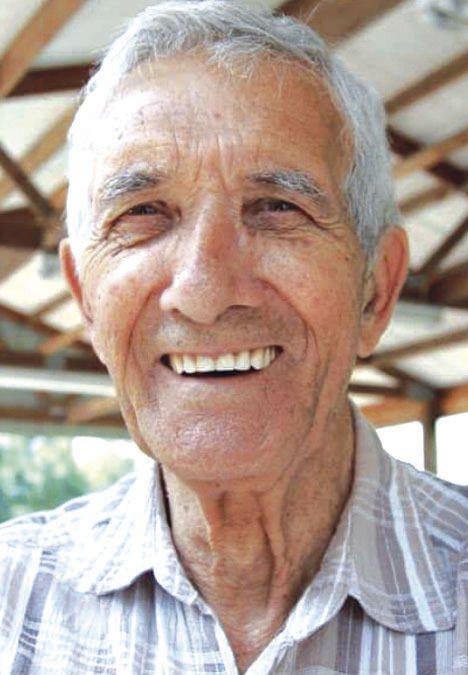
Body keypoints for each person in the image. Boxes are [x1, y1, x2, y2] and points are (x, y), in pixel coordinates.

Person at [1, 1, 467, 673]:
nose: (204, 289)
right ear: (86, 301)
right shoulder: (12, 598)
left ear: (376, 290)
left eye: (277, 207)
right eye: (143, 212)